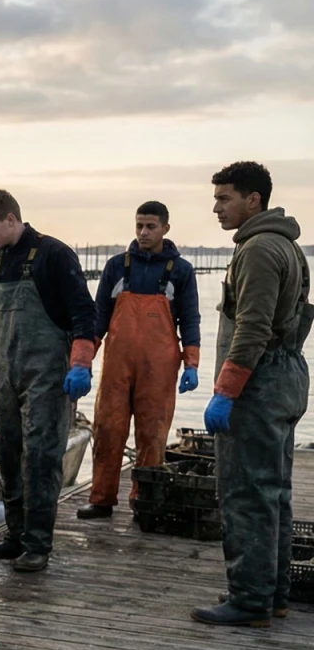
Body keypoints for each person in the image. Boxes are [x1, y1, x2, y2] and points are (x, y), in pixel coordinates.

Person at [192, 161, 310, 628]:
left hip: (258, 386)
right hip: (286, 378)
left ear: (253, 200)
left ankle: (250, 601)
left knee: (246, 493)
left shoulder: (259, 249)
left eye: (224, 198)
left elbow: (254, 327)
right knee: (273, 493)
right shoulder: (287, 244)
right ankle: (270, 593)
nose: (216, 207)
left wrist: (225, 391)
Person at [0, 189, 97, 573]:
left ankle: (38, 545)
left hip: (48, 375)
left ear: (10, 219)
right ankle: (15, 535)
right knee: (9, 454)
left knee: (40, 458)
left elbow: (84, 314)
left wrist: (81, 364)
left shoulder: (54, 255)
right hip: (8, 373)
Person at [78, 201, 202, 519]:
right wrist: (82, 360)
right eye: (139, 226)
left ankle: (144, 502)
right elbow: (99, 317)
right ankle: (101, 499)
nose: (144, 232)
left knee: (152, 433)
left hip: (159, 369)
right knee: (107, 430)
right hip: (116, 365)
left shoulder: (182, 271)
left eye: (151, 226)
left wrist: (192, 363)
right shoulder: (117, 266)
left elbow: (190, 320)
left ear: (165, 228)